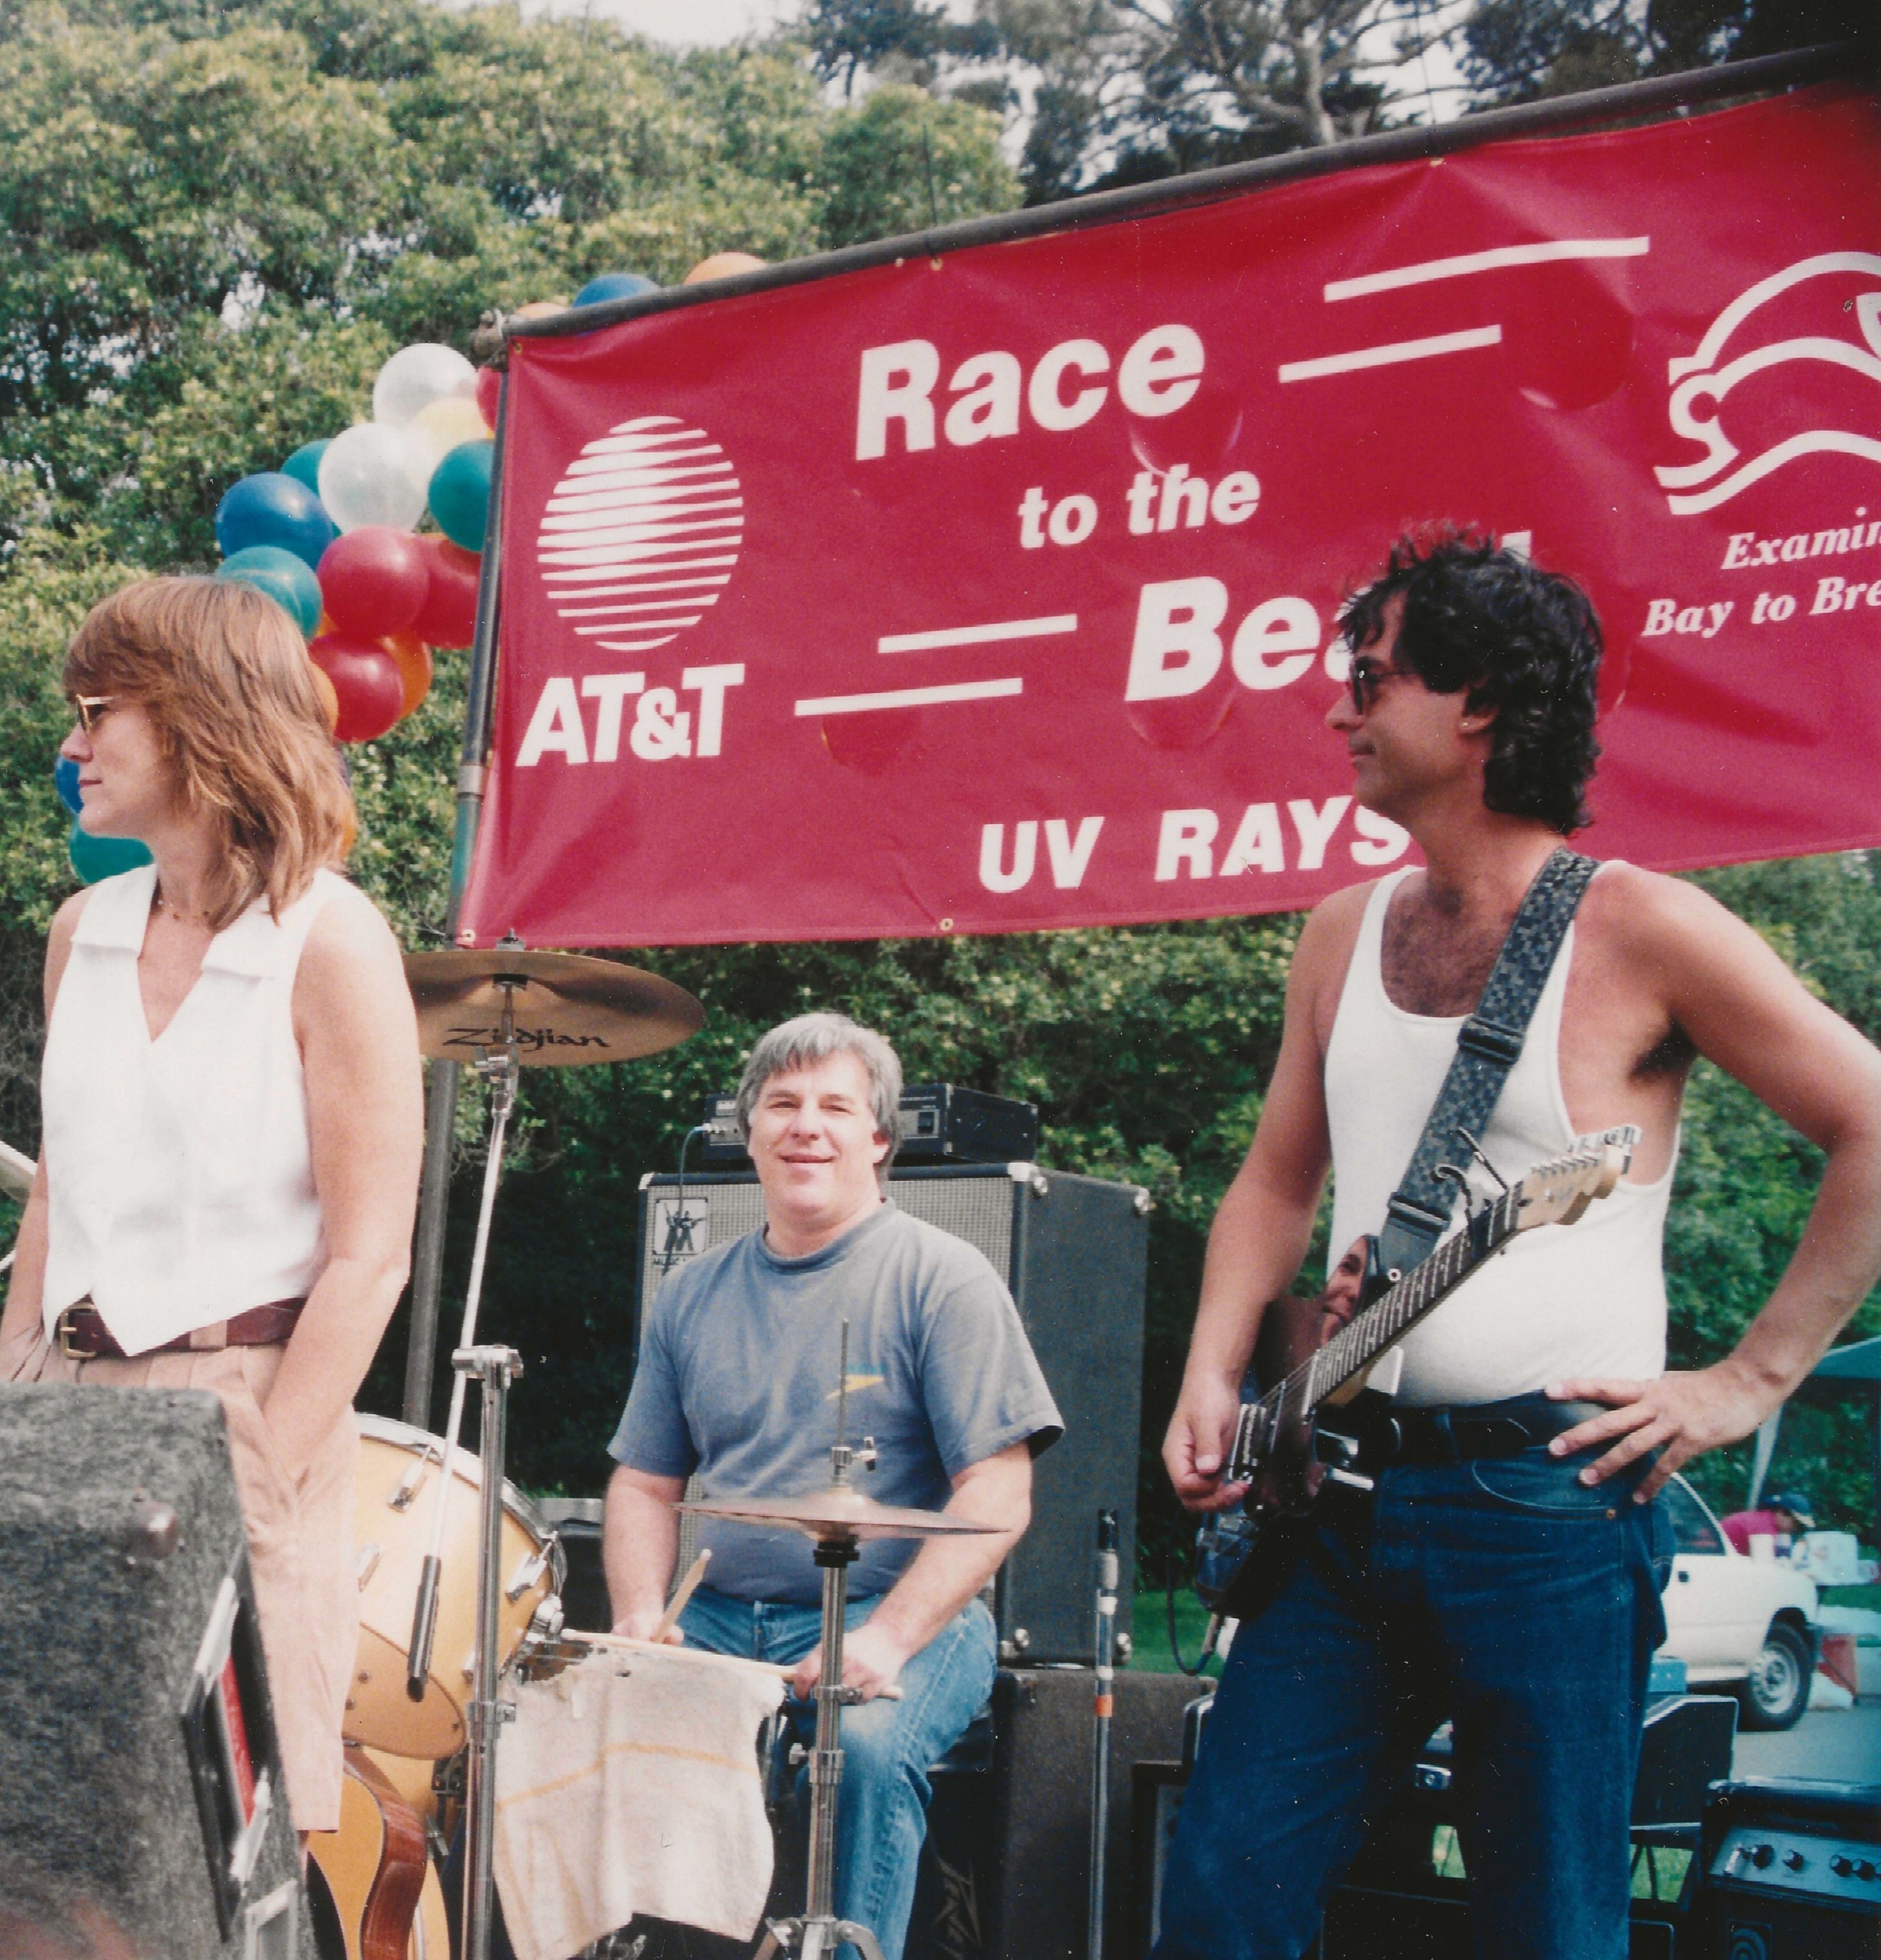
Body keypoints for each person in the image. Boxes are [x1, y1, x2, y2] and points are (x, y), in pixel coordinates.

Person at [1153, 529, 1881, 1960]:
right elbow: (1273, 1181)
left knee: (1545, 1927)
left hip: (1549, 1505)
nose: (1337, 708)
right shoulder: (1338, 932)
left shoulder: (1646, 927)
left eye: (1372, 678)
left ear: (1478, 701)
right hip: (1340, 1499)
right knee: (1221, 1897)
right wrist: (1209, 1374)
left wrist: (1746, 1380)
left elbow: (1868, 1118)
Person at [0, 576, 423, 1843]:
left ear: (198, 717)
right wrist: (10, 1377)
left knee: (220, 1851)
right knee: (33, 1817)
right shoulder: (80, 930)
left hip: (242, 1402)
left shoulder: (331, 940)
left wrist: (258, 1477)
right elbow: (59, 1177)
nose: (71, 742)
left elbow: (369, 1256)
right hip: (60, 1396)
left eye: (96, 711)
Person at [604, 1012, 1061, 1959]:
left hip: (895, 1614)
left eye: (835, 1107)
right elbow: (644, 1484)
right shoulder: (690, 1292)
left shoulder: (945, 1279)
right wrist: (642, 1611)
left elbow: (998, 1490)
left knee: (856, 1755)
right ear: (749, 1130)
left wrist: (885, 1639)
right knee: (601, 1727)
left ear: (879, 1137)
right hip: (717, 1618)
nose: (805, 1126)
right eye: (781, 1104)